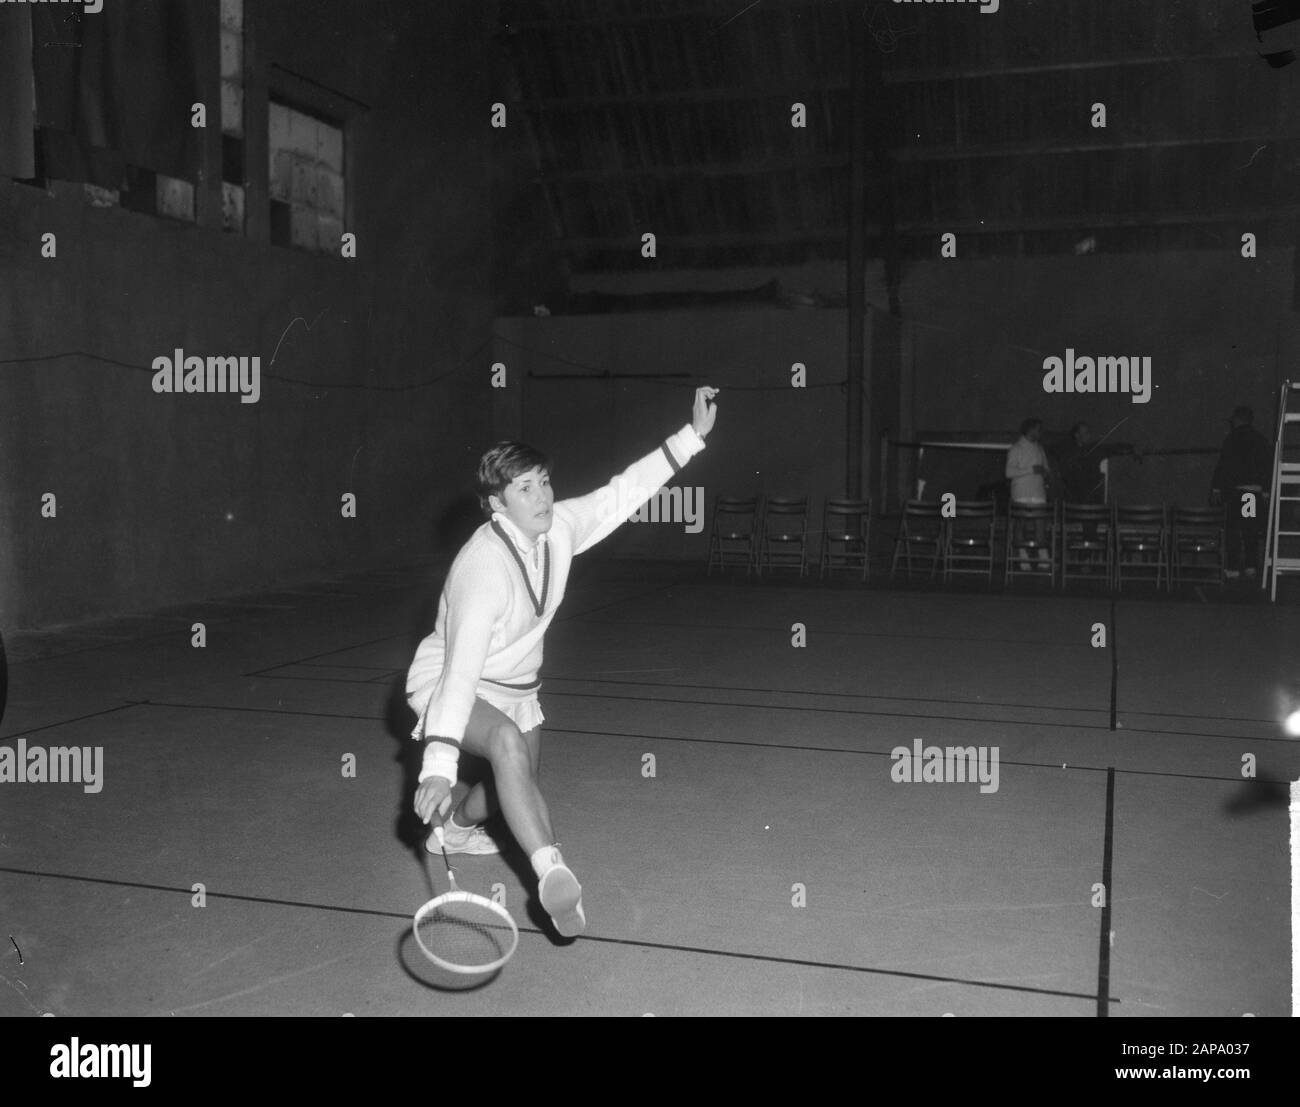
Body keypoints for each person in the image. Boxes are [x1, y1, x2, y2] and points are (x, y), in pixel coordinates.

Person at [408, 386, 719, 937]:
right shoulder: (480, 571)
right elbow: (459, 676)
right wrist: (437, 764)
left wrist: (690, 437)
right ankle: (551, 871)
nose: (542, 496)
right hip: (451, 680)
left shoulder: (560, 529)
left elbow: (621, 494)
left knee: (517, 780)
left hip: (516, 685)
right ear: (497, 504)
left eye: (544, 481)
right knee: (505, 746)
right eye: (524, 488)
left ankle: (453, 829)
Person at [1211, 405, 1273, 579]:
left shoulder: (1231, 439)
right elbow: (1268, 466)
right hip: (1253, 493)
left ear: (1237, 419)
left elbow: (1223, 465)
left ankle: (1233, 567)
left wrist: (1217, 488)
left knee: (1233, 529)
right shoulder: (1260, 439)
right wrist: (1266, 491)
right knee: (1250, 529)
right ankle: (1251, 565)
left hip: (1237, 493)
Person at [1005, 417, 1051, 570]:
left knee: (1040, 525)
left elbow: (1046, 469)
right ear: (1030, 430)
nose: (1040, 432)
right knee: (1020, 525)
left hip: (1038, 492)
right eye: (1038, 429)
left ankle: (1043, 558)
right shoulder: (1016, 448)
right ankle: (1023, 557)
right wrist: (1030, 470)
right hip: (1021, 493)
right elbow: (1008, 472)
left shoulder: (1039, 448)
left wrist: (1044, 472)